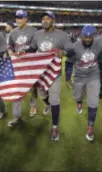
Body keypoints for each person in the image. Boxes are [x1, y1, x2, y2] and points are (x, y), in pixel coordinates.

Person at [31, 11, 75, 141]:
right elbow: (32, 49)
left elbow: (72, 51)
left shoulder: (62, 35)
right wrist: (22, 53)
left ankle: (55, 127)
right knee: (41, 95)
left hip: (54, 73)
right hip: (41, 73)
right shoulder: (37, 34)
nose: (45, 20)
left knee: (54, 98)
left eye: (48, 18)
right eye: (43, 18)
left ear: (53, 20)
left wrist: (64, 52)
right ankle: (48, 104)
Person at [70, 25, 102, 141]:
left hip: (93, 76)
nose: (88, 39)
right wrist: (67, 78)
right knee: (78, 96)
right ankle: (79, 102)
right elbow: (69, 62)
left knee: (93, 102)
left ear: (94, 36)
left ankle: (90, 127)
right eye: (86, 36)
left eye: (90, 37)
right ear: (81, 35)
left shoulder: (99, 45)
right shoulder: (74, 46)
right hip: (79, 76)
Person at [7, 9, 38, 125]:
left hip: (31, 64)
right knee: (16, 89)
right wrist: (10, 51)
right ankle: (16, 116)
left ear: (26, 18)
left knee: (32, 88)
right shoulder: (13, 32)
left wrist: (27, 52)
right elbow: (10, 46)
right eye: (17, 17)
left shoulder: (34, 31)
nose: (18, 20)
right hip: (18, 65)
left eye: (21, 17)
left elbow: (37, 46)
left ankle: (33, 105)